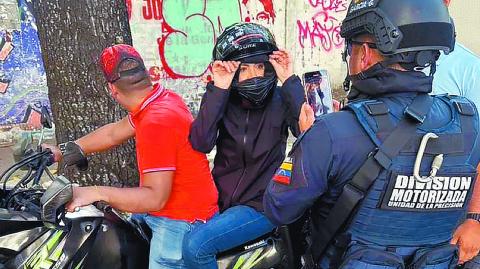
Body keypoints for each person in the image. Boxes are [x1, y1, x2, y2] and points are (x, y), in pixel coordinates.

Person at [264, 0, 480, 268]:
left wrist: (310, 140)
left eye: (351, 48)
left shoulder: (331, 132)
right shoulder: (468, 121)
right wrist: (475, 218)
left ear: (364, 54)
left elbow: (278, 207)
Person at [45, 44, 219, 269]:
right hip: (169, 212)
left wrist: (95, 191)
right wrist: (63, 151)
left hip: (181, 222)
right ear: (145, 75)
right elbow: (113, 133)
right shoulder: (160, 100)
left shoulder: (156, 121)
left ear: (112, 90)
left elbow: (155, 198)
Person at [183, 22, 305, 268]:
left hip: (263, 204)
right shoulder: (224, 98)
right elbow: (200, 142)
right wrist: (219, 88)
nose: (253, 75)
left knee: (195, 248)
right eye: (245, 69)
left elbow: (307, 132)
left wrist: (289, 79)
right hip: (220, 199)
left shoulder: (281, 99)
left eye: (259, 67)